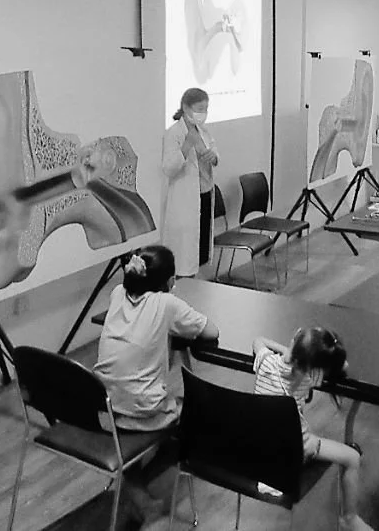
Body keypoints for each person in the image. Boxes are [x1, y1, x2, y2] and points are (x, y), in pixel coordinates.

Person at [94, 245, 219, 523]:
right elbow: (211, 330)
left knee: (145, 400)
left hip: (106, 406)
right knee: (198, 420)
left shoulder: (117, 294)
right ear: (168, 281)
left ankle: (132, 478)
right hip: (141, 410)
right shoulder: (167, 304)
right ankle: (137, 486)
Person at [252, 327, 373, 531]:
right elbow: (344, 365)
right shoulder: (307, 380)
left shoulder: (265, 362)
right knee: (353, 458)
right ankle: (349, 519)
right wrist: (313, 363)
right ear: (316, 369)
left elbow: (259, 340)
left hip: (259, 451)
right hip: (293, 453)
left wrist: (289, 351)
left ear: (293, 344)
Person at [161, 88, 219, 277]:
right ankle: (184, 288)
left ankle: (197, 289)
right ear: (186, 107)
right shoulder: (173, 134)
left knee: (200, 249)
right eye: (199, 108)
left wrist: (214, 157)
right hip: (185, 200)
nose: (203, 113)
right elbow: (169, 168)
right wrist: (186, 146)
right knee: (184, 254)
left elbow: (214, 152)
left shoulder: (203, 130)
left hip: (205, 193)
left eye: (206, 109)